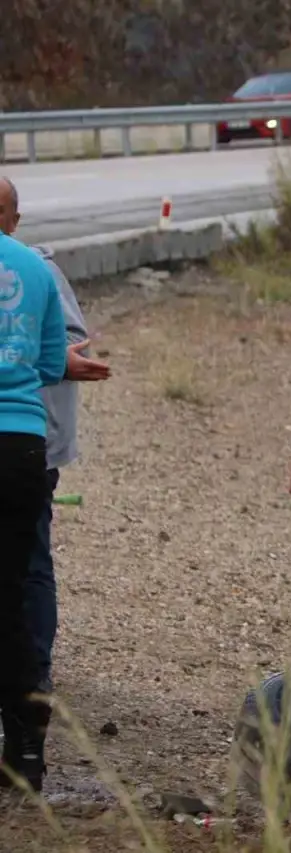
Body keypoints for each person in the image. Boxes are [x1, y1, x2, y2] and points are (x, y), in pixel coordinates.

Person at [0, 177, 113, 704]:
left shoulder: (37, 270)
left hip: (28, 438)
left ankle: (35, 671)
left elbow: (69, 341)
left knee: (31, 557)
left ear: (15, 220)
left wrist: (64, 359)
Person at [0, 213, 68, 794]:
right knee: (13, 597)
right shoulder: (35, 269)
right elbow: (51, 364)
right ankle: (24, 752)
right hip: (21, 446)